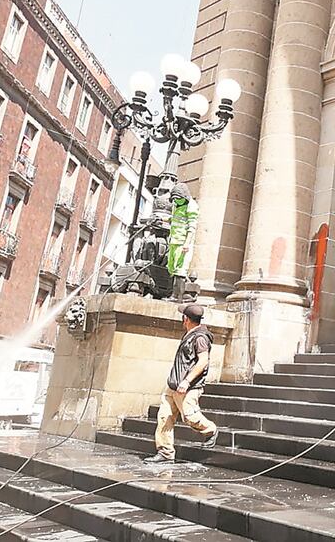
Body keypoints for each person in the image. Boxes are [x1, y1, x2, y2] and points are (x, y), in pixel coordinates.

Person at [144, 303, 218, 463]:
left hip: (188, 387)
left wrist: (186, 381)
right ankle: (165, 453)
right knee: (165, 417)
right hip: (173, 386)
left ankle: (211, 430)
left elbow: (203, 360)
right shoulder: (190, 334)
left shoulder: (200, 337)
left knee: (190, 417)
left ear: (186, 319)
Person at [168, 182, 199, 302]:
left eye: (178, 198)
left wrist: (187, 243)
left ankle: (176, 296)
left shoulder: (191, 207)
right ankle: (173, 294)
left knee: (180, 270)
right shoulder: (177, 206)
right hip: (174, 241)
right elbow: (174, 220)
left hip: (182, 243)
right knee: (172, 268)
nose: (176, 200)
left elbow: (192, 227)